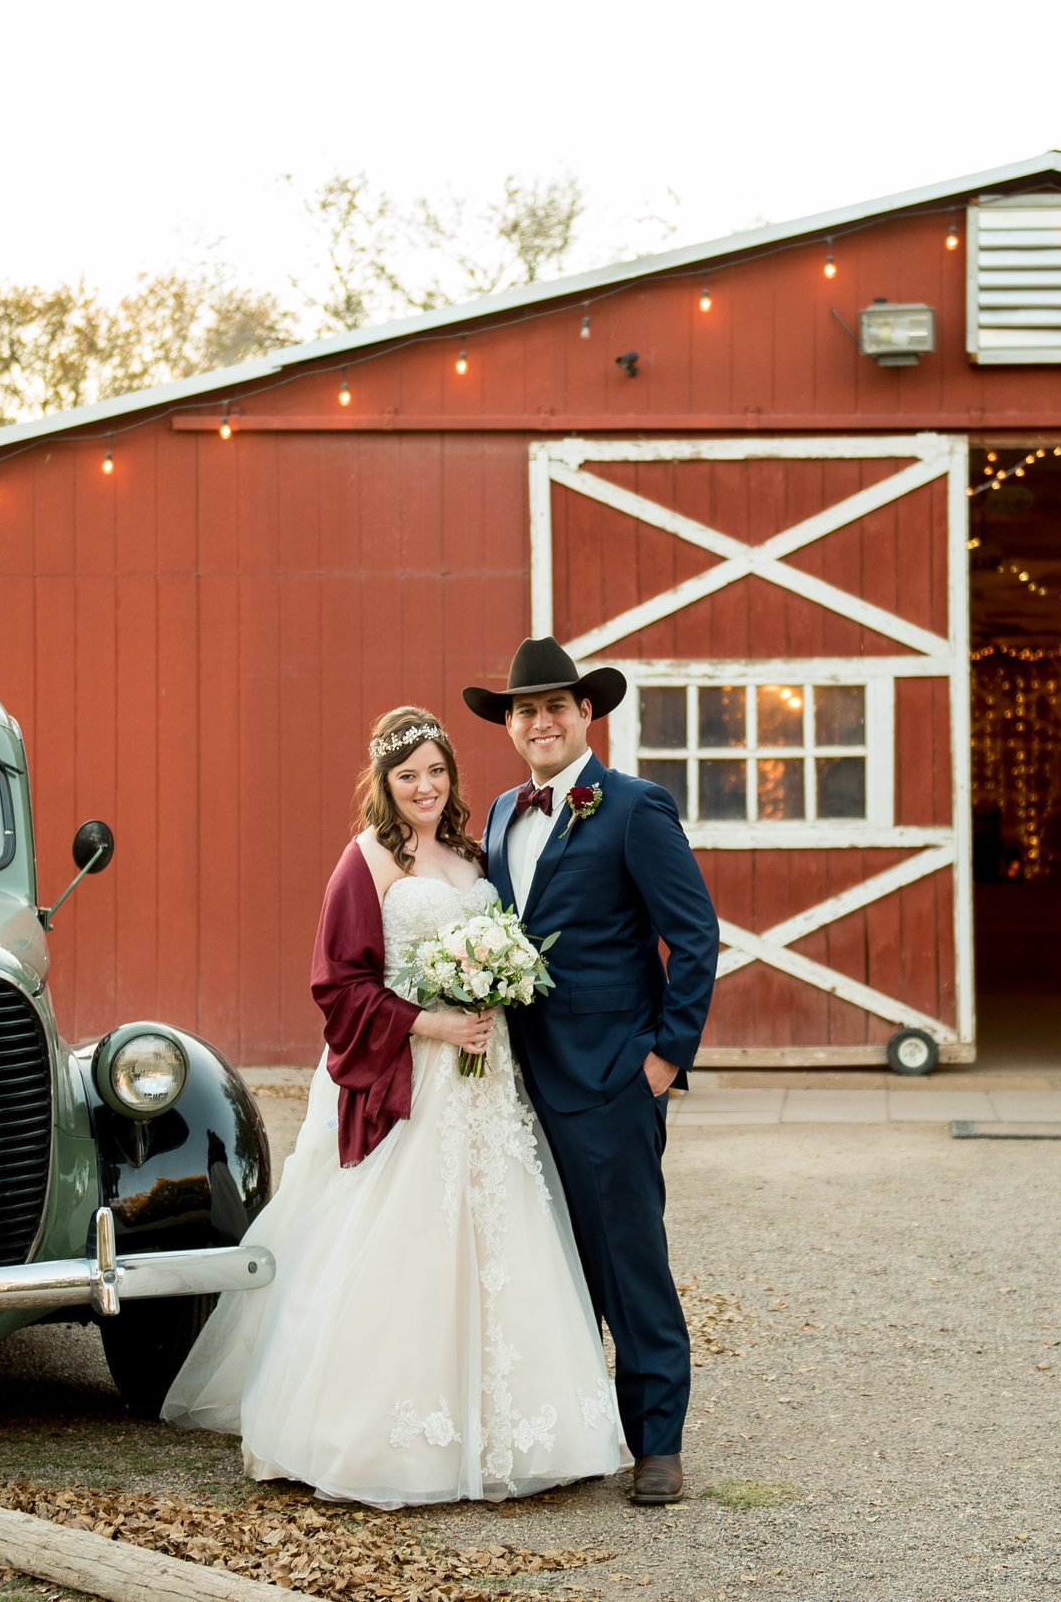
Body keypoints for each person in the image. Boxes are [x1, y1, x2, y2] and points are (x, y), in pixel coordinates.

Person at [160, 705, 628, 1508]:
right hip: (413, 1080)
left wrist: (497, 985)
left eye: (435, 770)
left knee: (502, 1233)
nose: (423, 785)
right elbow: (338, 984)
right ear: (384, 782)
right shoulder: (369, 857)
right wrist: (431, 1020)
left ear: (452, 775)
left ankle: (518, 1425)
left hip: (488, 1082)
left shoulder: (474, 852)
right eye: (407, 774)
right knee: (403, 1239)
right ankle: (382, 1432)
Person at [464, 639, 719, 1508]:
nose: (540, 721)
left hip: (611, 1077)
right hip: (512, 1080)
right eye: (524, 710)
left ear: (586, 716)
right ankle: (573, 1424)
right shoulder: (499, 813)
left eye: (556, 708)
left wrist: (663, 1058)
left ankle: (658, 1443)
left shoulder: (635, 807)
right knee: (543, 1260)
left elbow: (695, 936)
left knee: (626, 1259)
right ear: (509, 724)